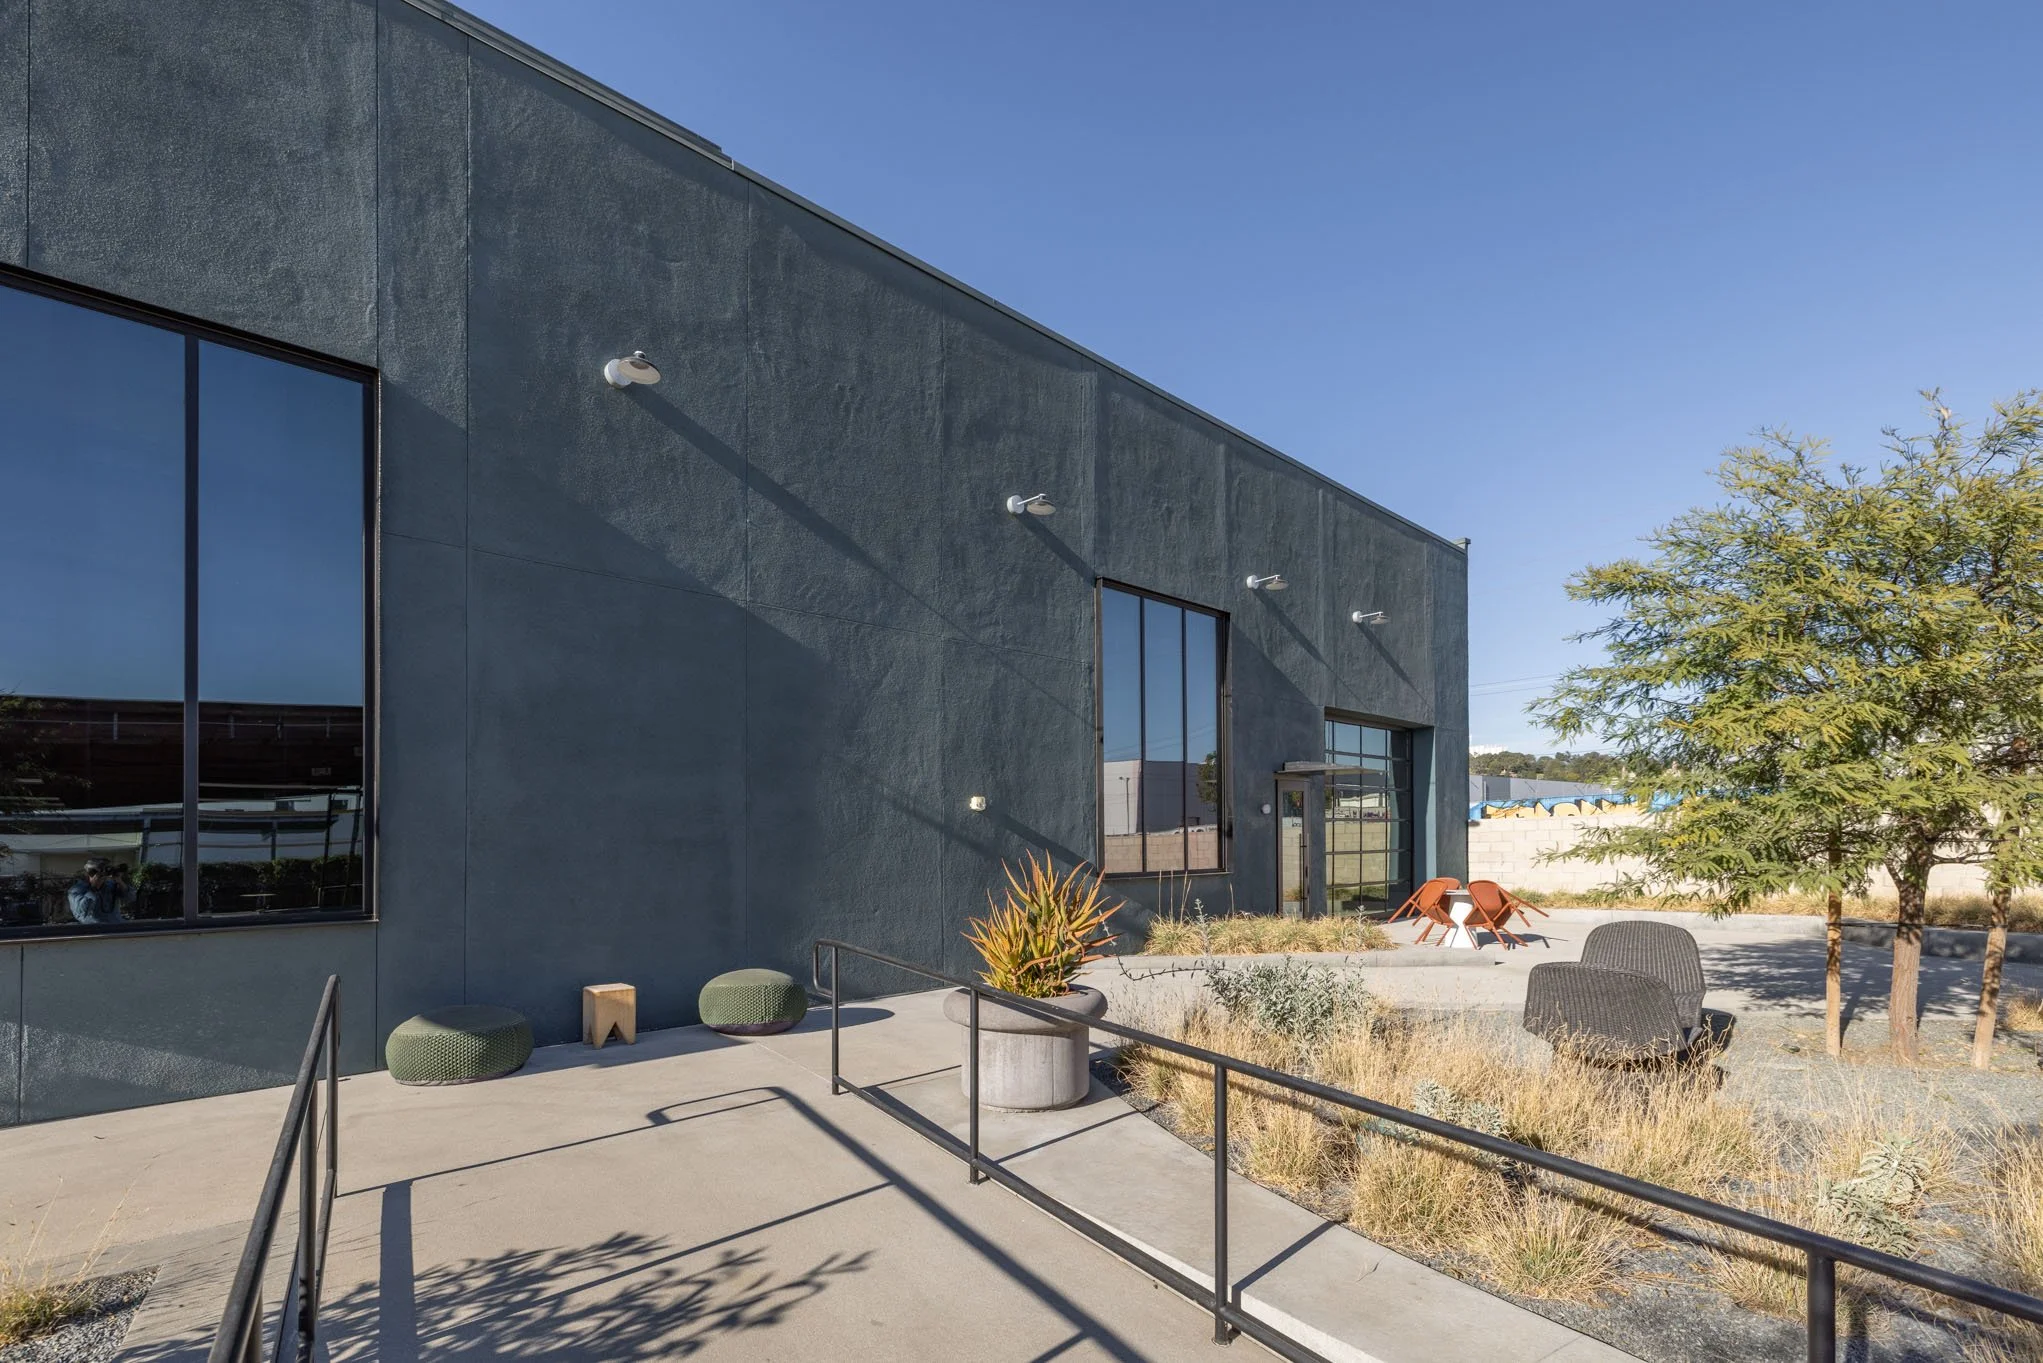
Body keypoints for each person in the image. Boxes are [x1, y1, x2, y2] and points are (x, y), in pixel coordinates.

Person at [67, 857, 132, 926]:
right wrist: (94, 888)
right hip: (94, 930)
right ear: (91, 873)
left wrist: (120, 882)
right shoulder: (76, 890)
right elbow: (81, 912)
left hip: (115, 928)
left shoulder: (111, 885)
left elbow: (131, 898)